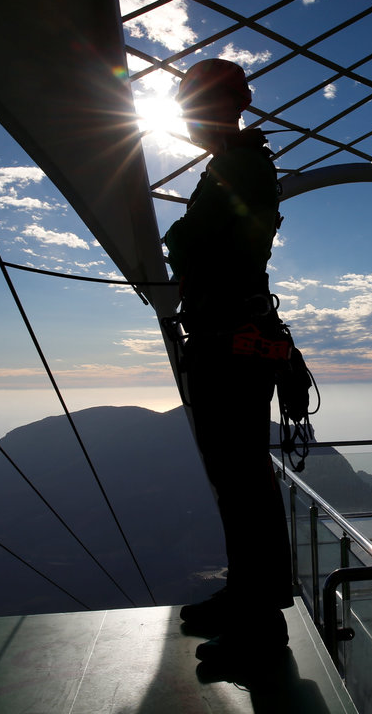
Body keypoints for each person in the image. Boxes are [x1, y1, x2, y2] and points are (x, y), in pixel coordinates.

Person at [163, 59, 293, 668]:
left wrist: (184, 240)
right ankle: (246, 598)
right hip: (231, 339)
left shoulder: (239, 167)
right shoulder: (233, 165)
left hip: (231, 343)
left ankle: (260, 624)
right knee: (237, 479)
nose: (188, 122)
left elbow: (207, 243)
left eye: (192, 108)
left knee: (242, 482)